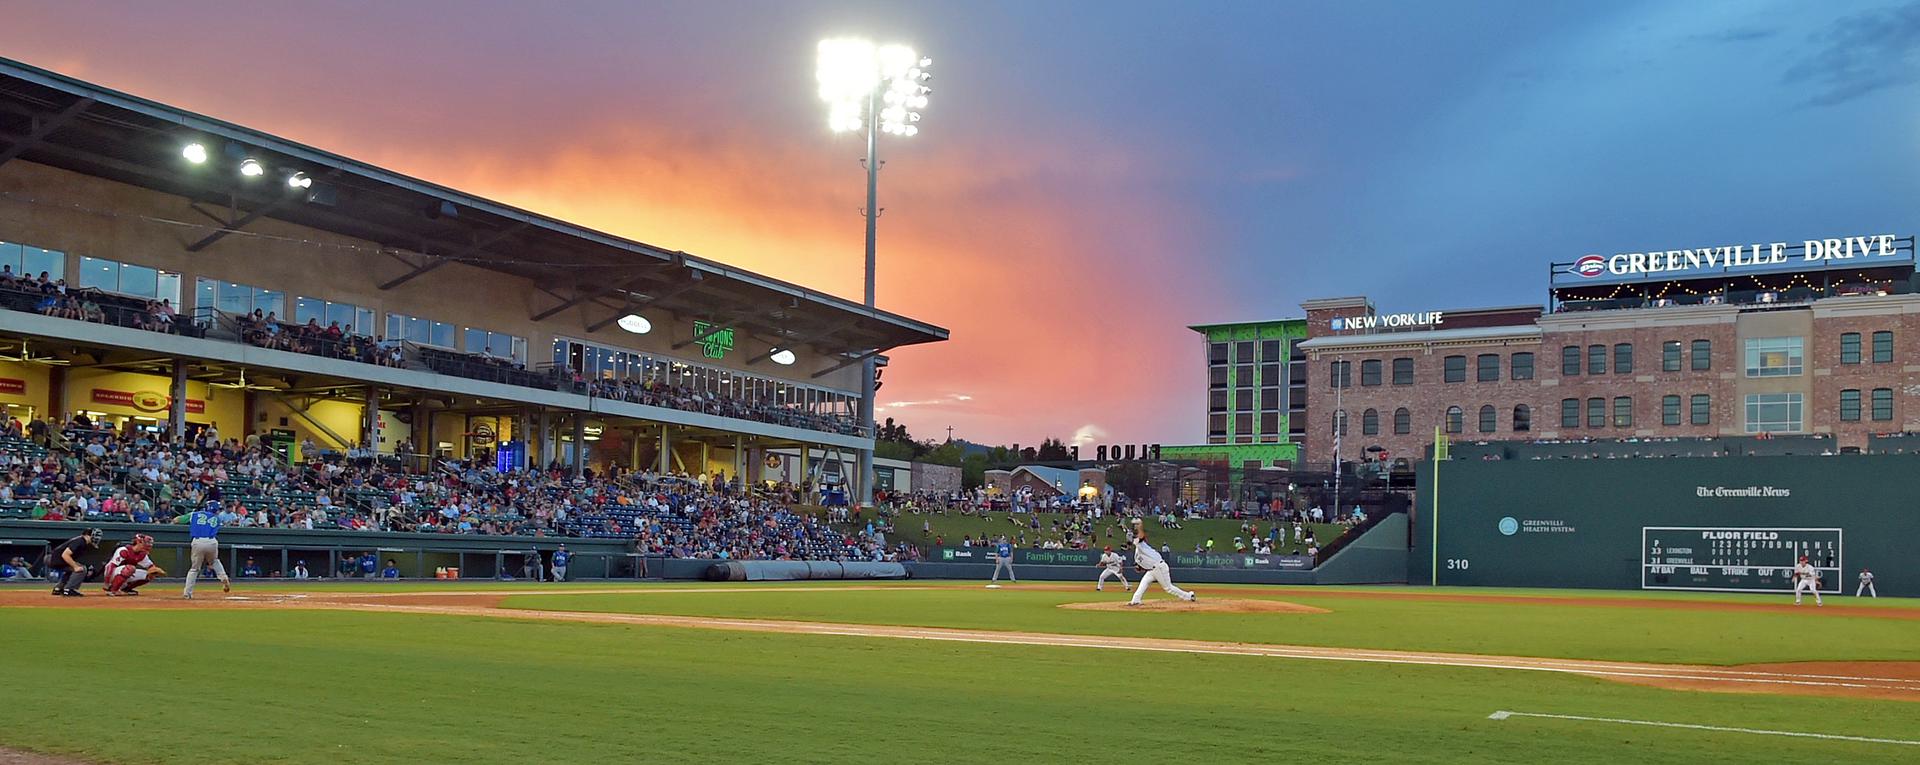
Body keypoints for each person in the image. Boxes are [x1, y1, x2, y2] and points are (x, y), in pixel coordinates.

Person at [1127, 522, 1196, 606]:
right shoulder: (1136, 554)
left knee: (1168, 588)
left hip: (1158, 566)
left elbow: (1141, 536)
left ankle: (1189, 596)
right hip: (1152, 570)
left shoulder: (1140, 545)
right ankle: (1136, 600)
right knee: (1143, 583)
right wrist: (1139, 568)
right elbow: (1141, 565)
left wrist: (1139, 527)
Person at [182, 500, 232, 599]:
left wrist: (191, 515)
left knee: (194, 569)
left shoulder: (195, 514)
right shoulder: (217, 518)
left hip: (198, 541)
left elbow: (178, 520)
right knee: (214, 561)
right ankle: (223, 577)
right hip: (212, 542)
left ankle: (187, 593)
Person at [49, 527, 102, 597]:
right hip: (54, 559)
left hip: (54, 559)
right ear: (87, 535)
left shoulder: (81, 541)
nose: (96, 538)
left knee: (72, 569)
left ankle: (58, 588)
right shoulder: (80, 541)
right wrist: (75, 566)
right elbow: (65, 555)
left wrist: (74, 566)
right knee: (81, 569)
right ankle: (69, 589)